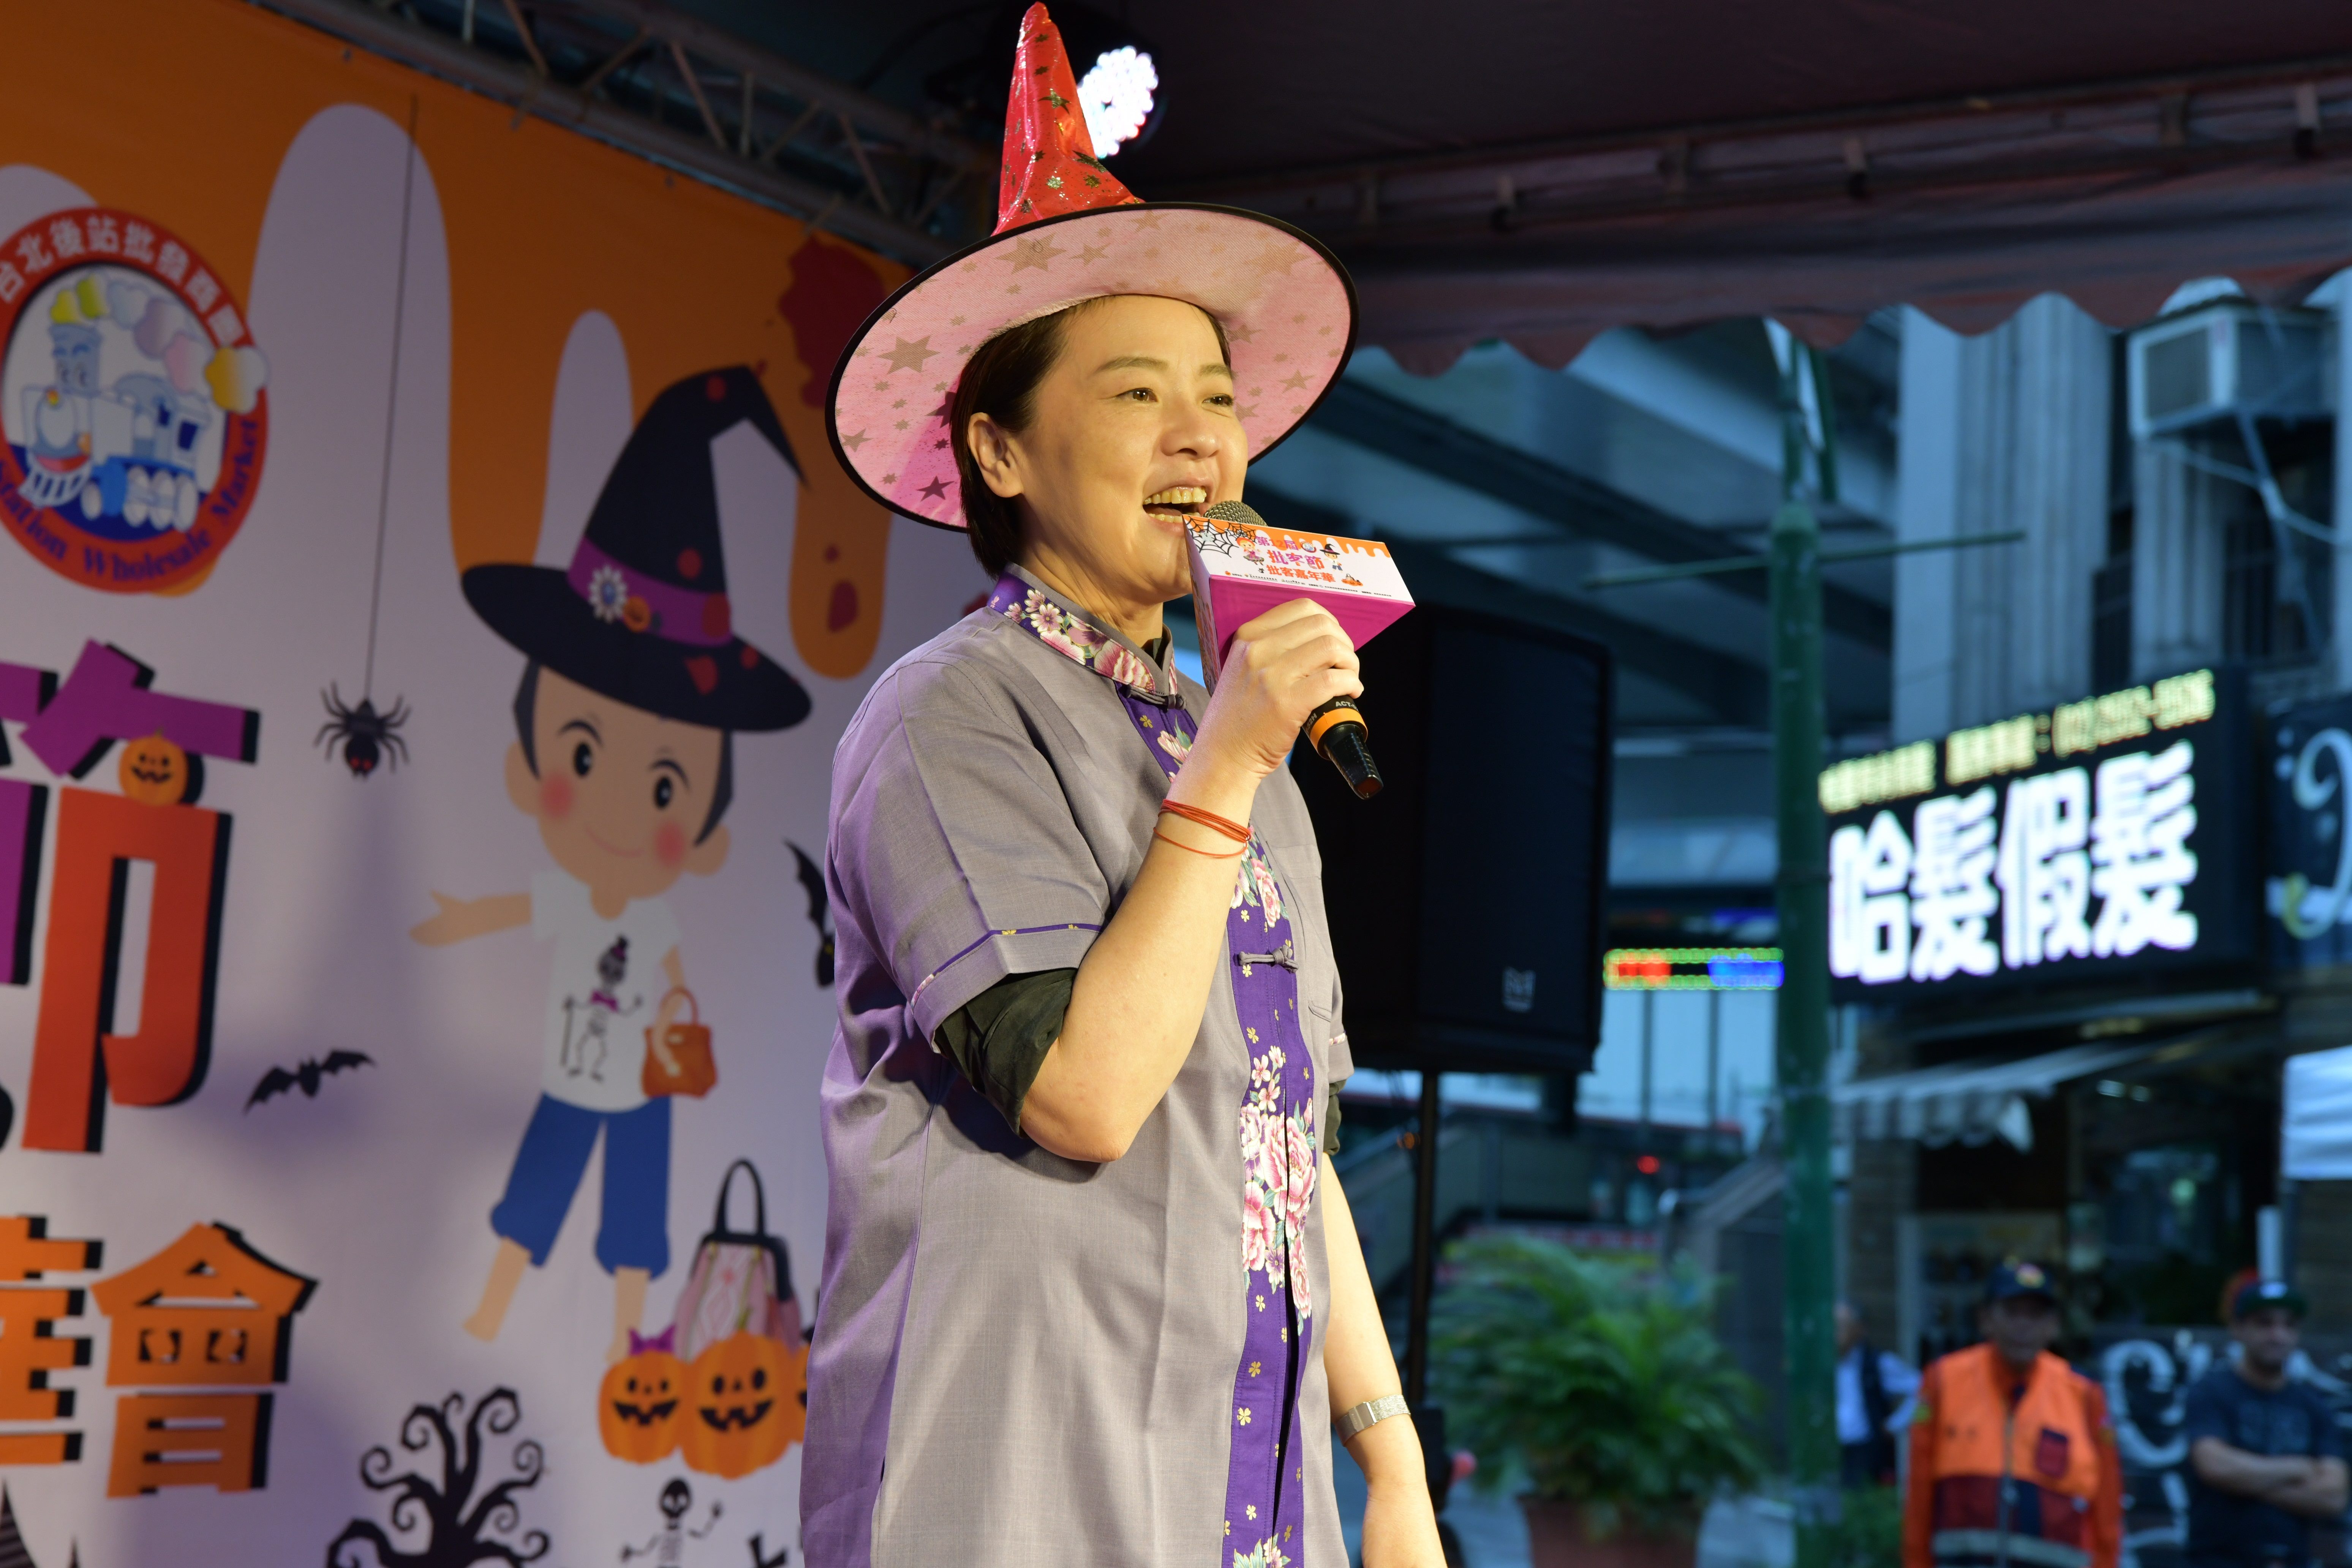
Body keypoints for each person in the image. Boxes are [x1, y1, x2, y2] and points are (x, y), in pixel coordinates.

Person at [804, 8, 1440, 1567]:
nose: (1200, 436)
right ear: (1000, 454)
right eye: (1138, 394)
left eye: (1218, 396)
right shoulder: (949, 712)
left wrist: (1393, 1464)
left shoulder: (1239, 744)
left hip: (1242, 1481)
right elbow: (1083, 1096)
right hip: (1018, 1477)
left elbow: (1288, 1144)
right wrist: (1228, 765)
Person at [1903, 1260, 2122, 1568]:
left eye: (2035, 1315)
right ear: (1986, 1319)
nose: (2023, 1325)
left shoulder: (2084, 1395)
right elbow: (1919, 1491)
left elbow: (2107, 1507)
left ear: (2053, 1325)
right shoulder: (1943, 1381)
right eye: (2012, 1312)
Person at [2183, 1279, 2348, 1568]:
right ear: (2238, 1329)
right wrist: (2299, 1468)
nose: (2278, 1336)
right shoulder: (2211, 1392)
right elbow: (2214, 1466)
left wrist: (2244, 1481)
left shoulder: (2314, 1405)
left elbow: (2334, 1496)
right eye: (2265, 1323)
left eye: (2289, 1325)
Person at [1838, 1299, 1921, 1487]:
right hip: (1829, 1450)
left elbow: (1923, 1389)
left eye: (1841, 1326)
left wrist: (1895, 1425)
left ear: (1859, 1329)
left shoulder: (1878, 1363)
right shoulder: (1821, 1367)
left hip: (1865, 1452)